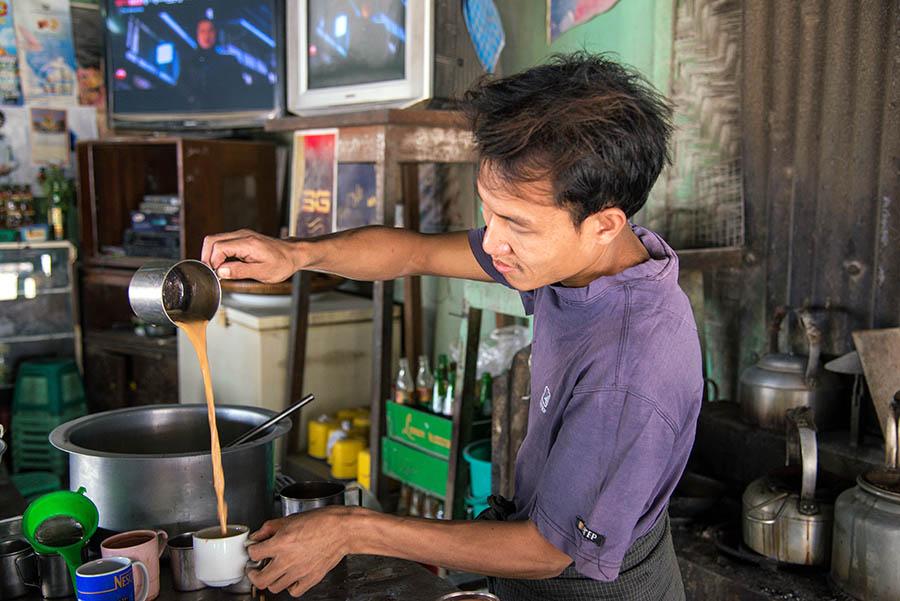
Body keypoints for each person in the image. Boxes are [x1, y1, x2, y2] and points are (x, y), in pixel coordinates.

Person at [202, 52, 702, 601]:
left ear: (604, 223)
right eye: (489, 212)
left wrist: (352, 529)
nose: (490, 243)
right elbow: (414, 253)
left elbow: (546, 551)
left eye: (516, 224)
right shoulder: (589, 255)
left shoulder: (629, 369)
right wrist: (294, 255)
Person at [179, 18, 243, 108]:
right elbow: (182, 89)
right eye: (202, 31)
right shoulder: (188, 63)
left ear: (216, 34)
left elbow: (239, 91)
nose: (207, 35)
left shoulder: (230, 62)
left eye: (210, 31)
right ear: (197, 35)